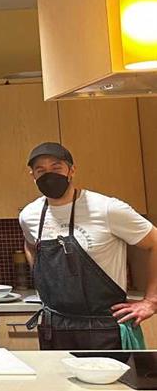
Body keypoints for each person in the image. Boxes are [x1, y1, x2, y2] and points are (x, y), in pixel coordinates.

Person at [20, 142, 157, 350]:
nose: (49, 175)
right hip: (55, 326)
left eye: (56, 167)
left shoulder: (108, 209)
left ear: (71, 170)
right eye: (41, 170)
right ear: (33, 175)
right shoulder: (29, 215)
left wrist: (151, 301)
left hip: (104, 327)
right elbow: (31, 246)